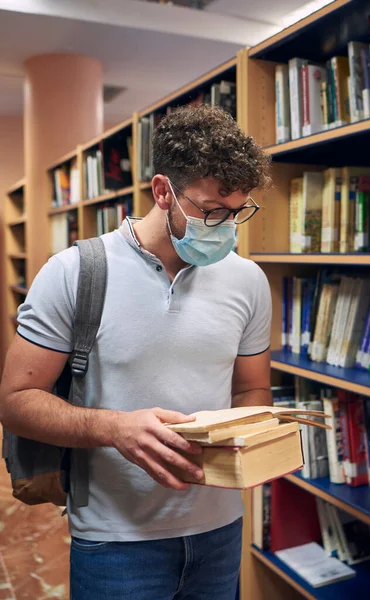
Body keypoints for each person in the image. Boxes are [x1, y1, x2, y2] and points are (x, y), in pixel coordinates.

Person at [0, 104, 272, 600]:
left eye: (238, 212)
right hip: (116, 540)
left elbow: (251, 386)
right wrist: (116, 428)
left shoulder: (248, 280)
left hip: (220, 528)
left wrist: (253, 444)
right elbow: (16, 401)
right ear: (163, 191)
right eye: (212, 211)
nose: (228, 228)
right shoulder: (72, 272)